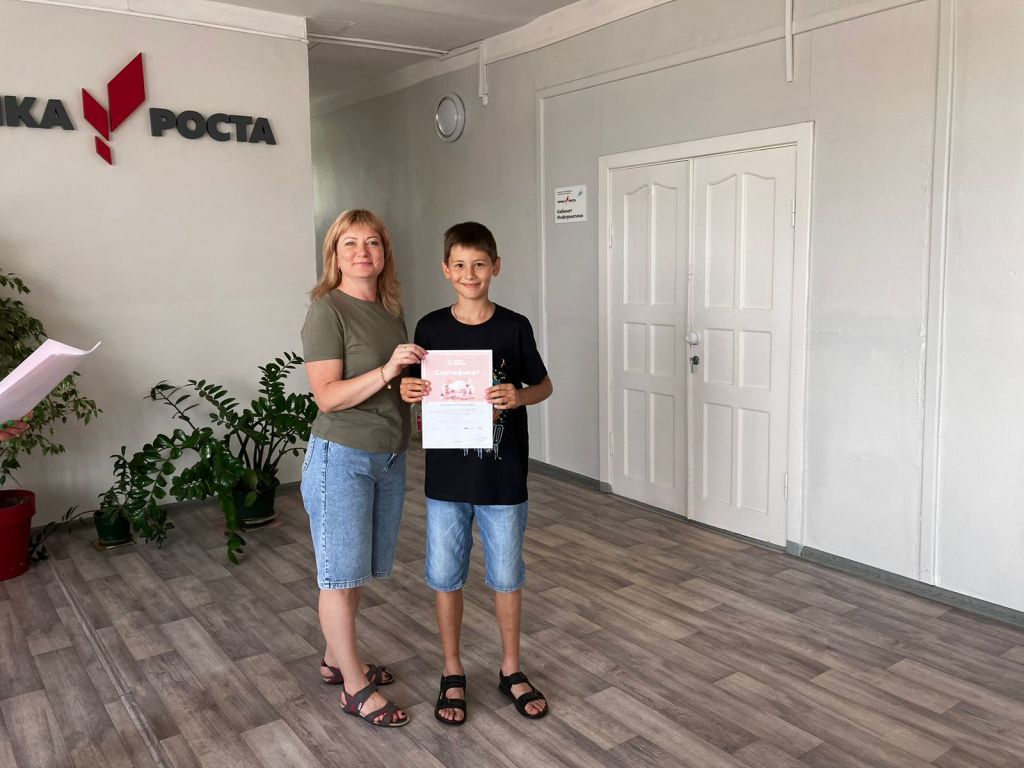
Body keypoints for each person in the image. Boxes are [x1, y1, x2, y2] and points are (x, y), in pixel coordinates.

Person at [400, 221, 553, 726]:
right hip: (446, 480)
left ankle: (511, 669)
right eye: (460, 265)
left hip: (503, 480)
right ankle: (452, 670)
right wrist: (408, 391)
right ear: (446, 270)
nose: (470, 274)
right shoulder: (430, 328)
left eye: (480, 265)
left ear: (496, 268)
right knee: (446, 577)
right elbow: (414, 386)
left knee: (507, 577)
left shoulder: (514, 327)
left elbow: (544, 385)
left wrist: (520, 396)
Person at [300, 209, 425, 728]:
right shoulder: (327, 310)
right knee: (338, 576)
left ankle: (336, 660)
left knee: (354, 573)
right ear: (334, 253)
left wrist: (411, 391)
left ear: (384, 253)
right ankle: (354, 686)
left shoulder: (390, 309)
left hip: (388, 456)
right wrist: (388, 369)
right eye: (349, 243)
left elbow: (390, 386)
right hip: (342, 457)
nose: (362, 252)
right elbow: (328, 397)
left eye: (372, 242)